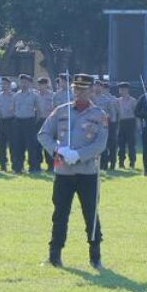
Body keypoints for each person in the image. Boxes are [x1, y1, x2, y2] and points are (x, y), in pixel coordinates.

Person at [37, 73, 108, 269]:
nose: (79, 93)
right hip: (63, 173)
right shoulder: (61, 111)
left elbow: (100, 144)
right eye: (76, 89)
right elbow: (43, 134)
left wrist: (79, 155)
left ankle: (95, 257)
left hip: (87, 173)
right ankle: (54, 255)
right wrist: (58, 150)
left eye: (83, 89)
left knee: (91, 215)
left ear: (91, 90)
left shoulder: (99, 115)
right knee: (60, 214)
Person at [114, 82, 138, 168]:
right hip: (122, 122)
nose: (121, 91)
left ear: (127, 90)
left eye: (123, 89)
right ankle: (121, 162)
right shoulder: (117, 101)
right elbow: (116, 113)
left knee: (131, 144)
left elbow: (136, 113)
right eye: (120, 89)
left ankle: (132, 162)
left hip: (130, 122)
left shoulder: (133, 101)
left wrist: (137, 125)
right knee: (121, 144)